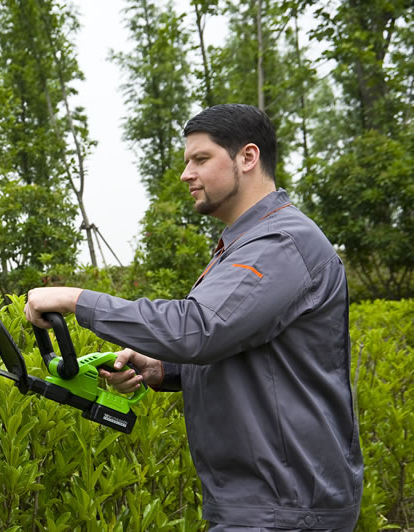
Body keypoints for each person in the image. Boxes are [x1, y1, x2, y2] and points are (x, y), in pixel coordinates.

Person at [24, 104, 363, 531]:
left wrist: (77, 300)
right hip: (266, 503)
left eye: (200, 159)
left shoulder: (280, 243)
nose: (186, 173)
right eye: (187, 161)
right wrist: (163, 369)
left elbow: (198, 328)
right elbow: (243, 348)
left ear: (247, 157)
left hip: (286, 507)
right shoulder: (246, 245)